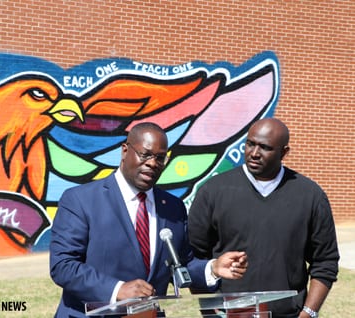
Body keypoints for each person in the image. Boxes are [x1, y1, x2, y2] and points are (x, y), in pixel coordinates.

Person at [50, 122, 248, 317]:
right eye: (145, 155)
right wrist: (117, 290)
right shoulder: (80, 200)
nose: (153, 163)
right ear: (125, 151)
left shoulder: (173, 208)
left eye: (160, 158)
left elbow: (181, 264)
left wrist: (212, 268)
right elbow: (63, 265)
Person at [188, 117, 339, 318]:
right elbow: (193, 257)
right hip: (229, 313)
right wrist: (210, 309)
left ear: (284, 152)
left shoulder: (310, 195)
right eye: (250, 144)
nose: (254, 153)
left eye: (265, 148)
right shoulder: (212, 191)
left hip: (288, 314)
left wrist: (309, 313)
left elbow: (325, 261)